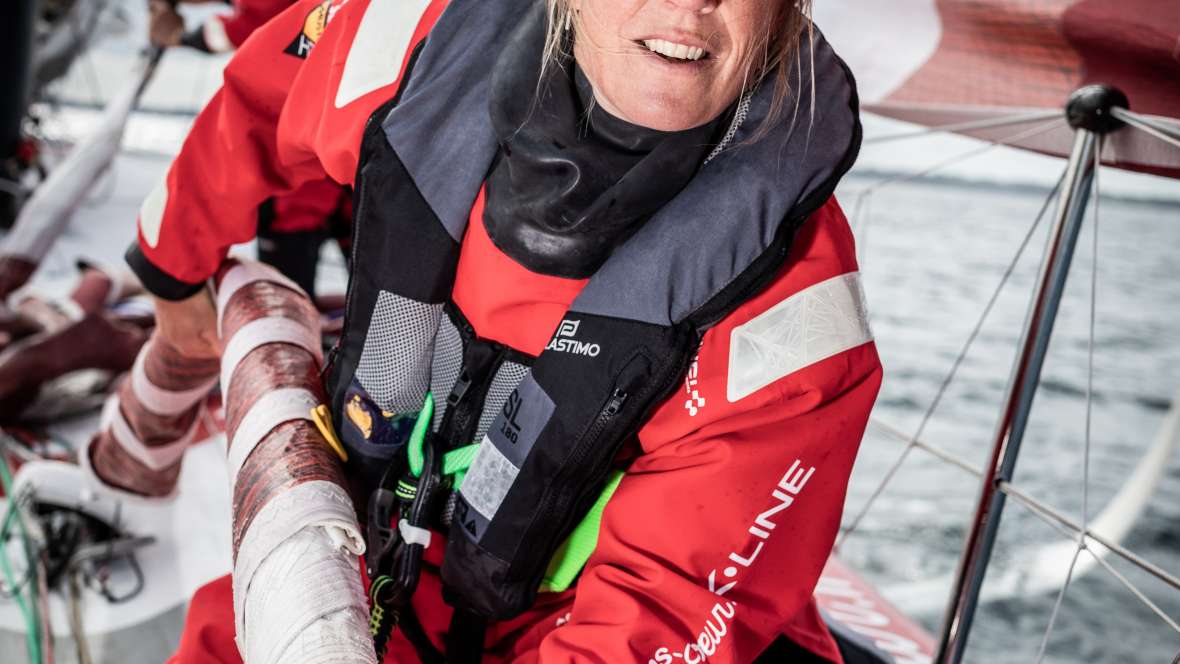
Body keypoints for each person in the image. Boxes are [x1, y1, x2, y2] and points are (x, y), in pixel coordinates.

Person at [57, 0, 878, 661]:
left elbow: (660, 616)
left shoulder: (792, 325)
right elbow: (264, 95)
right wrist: (172, 270)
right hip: (374, 556)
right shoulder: (415, 49)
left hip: (555, 630)